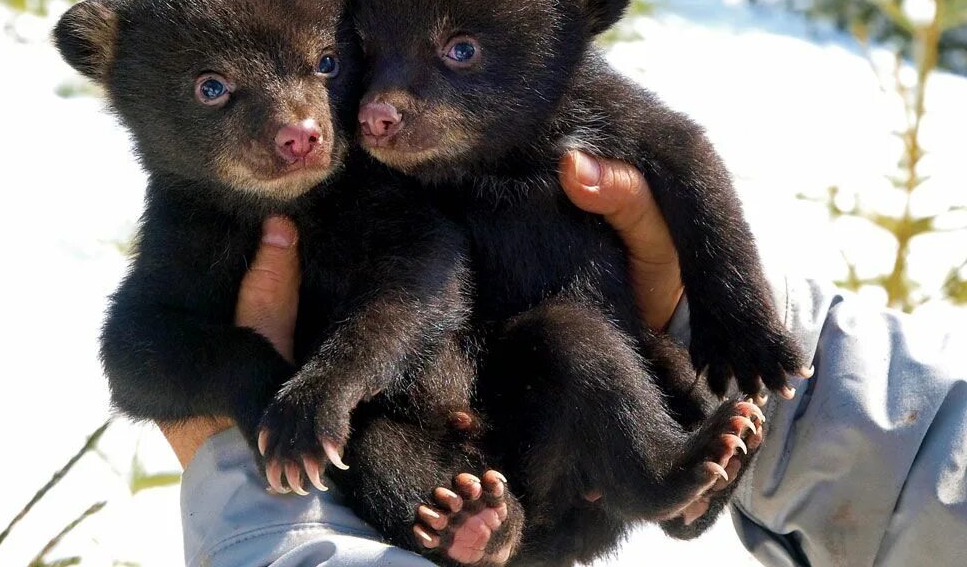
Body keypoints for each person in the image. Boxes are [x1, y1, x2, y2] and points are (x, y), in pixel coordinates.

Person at [162, 151, 967, 567]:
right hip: (448, 447)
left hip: (539, 414)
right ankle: (513, 518)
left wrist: (252, 485)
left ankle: (652, 476)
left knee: (569, 341)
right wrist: (691, 321)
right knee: (384, 440)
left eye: (328, 65)